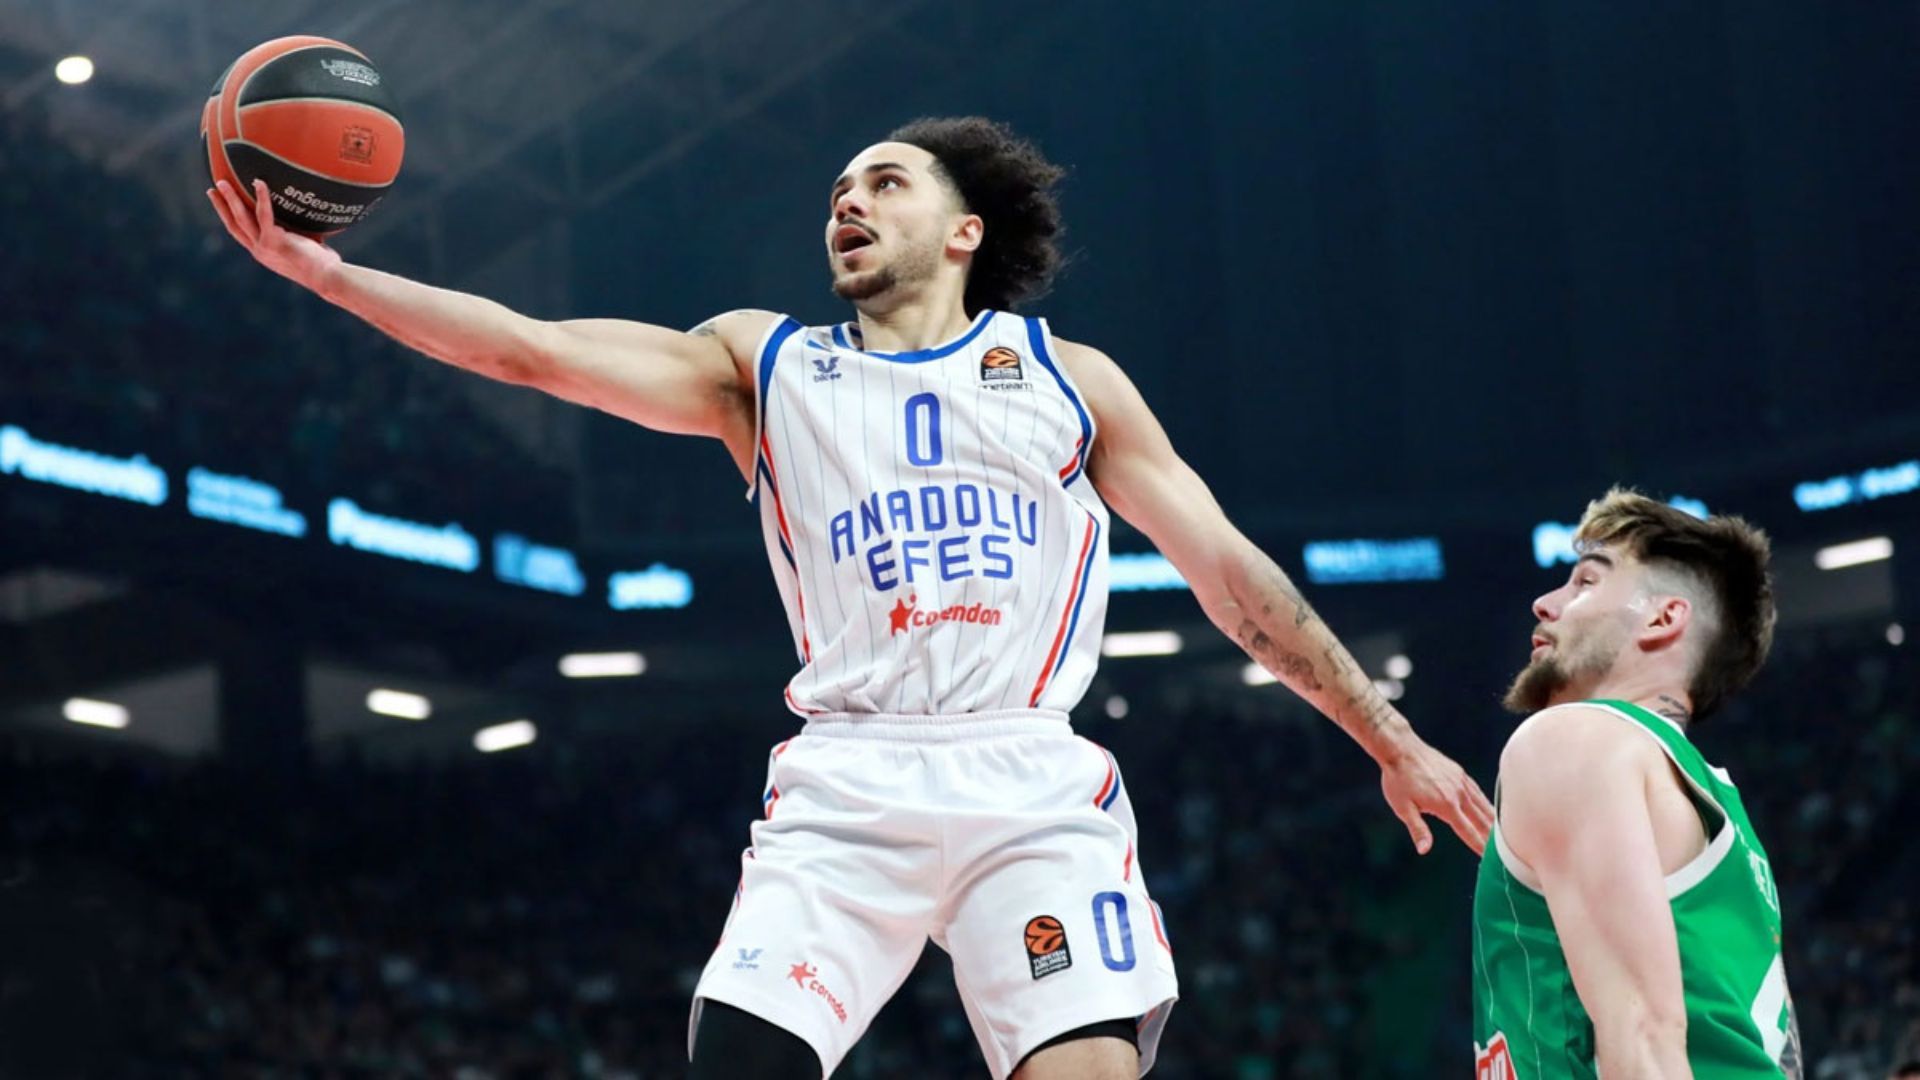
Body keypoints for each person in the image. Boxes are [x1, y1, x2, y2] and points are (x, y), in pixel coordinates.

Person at [210, 115, 1491, 1080]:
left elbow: (1229, 574)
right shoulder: (764, 364)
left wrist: (1390, 737)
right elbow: (532, 351)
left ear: (964, 230)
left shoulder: (1072, 380)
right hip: (846, 784)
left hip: (1026, 782)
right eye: (837, 191)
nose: (848, 202)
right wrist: (334, 280)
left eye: (884, 182)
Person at [1472, 489, 1801, 1079]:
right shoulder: (1716, 806)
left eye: (1586, 582)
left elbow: (1645, 1037)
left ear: (1662, 617)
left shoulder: (1576, 738)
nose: (1545, 603)